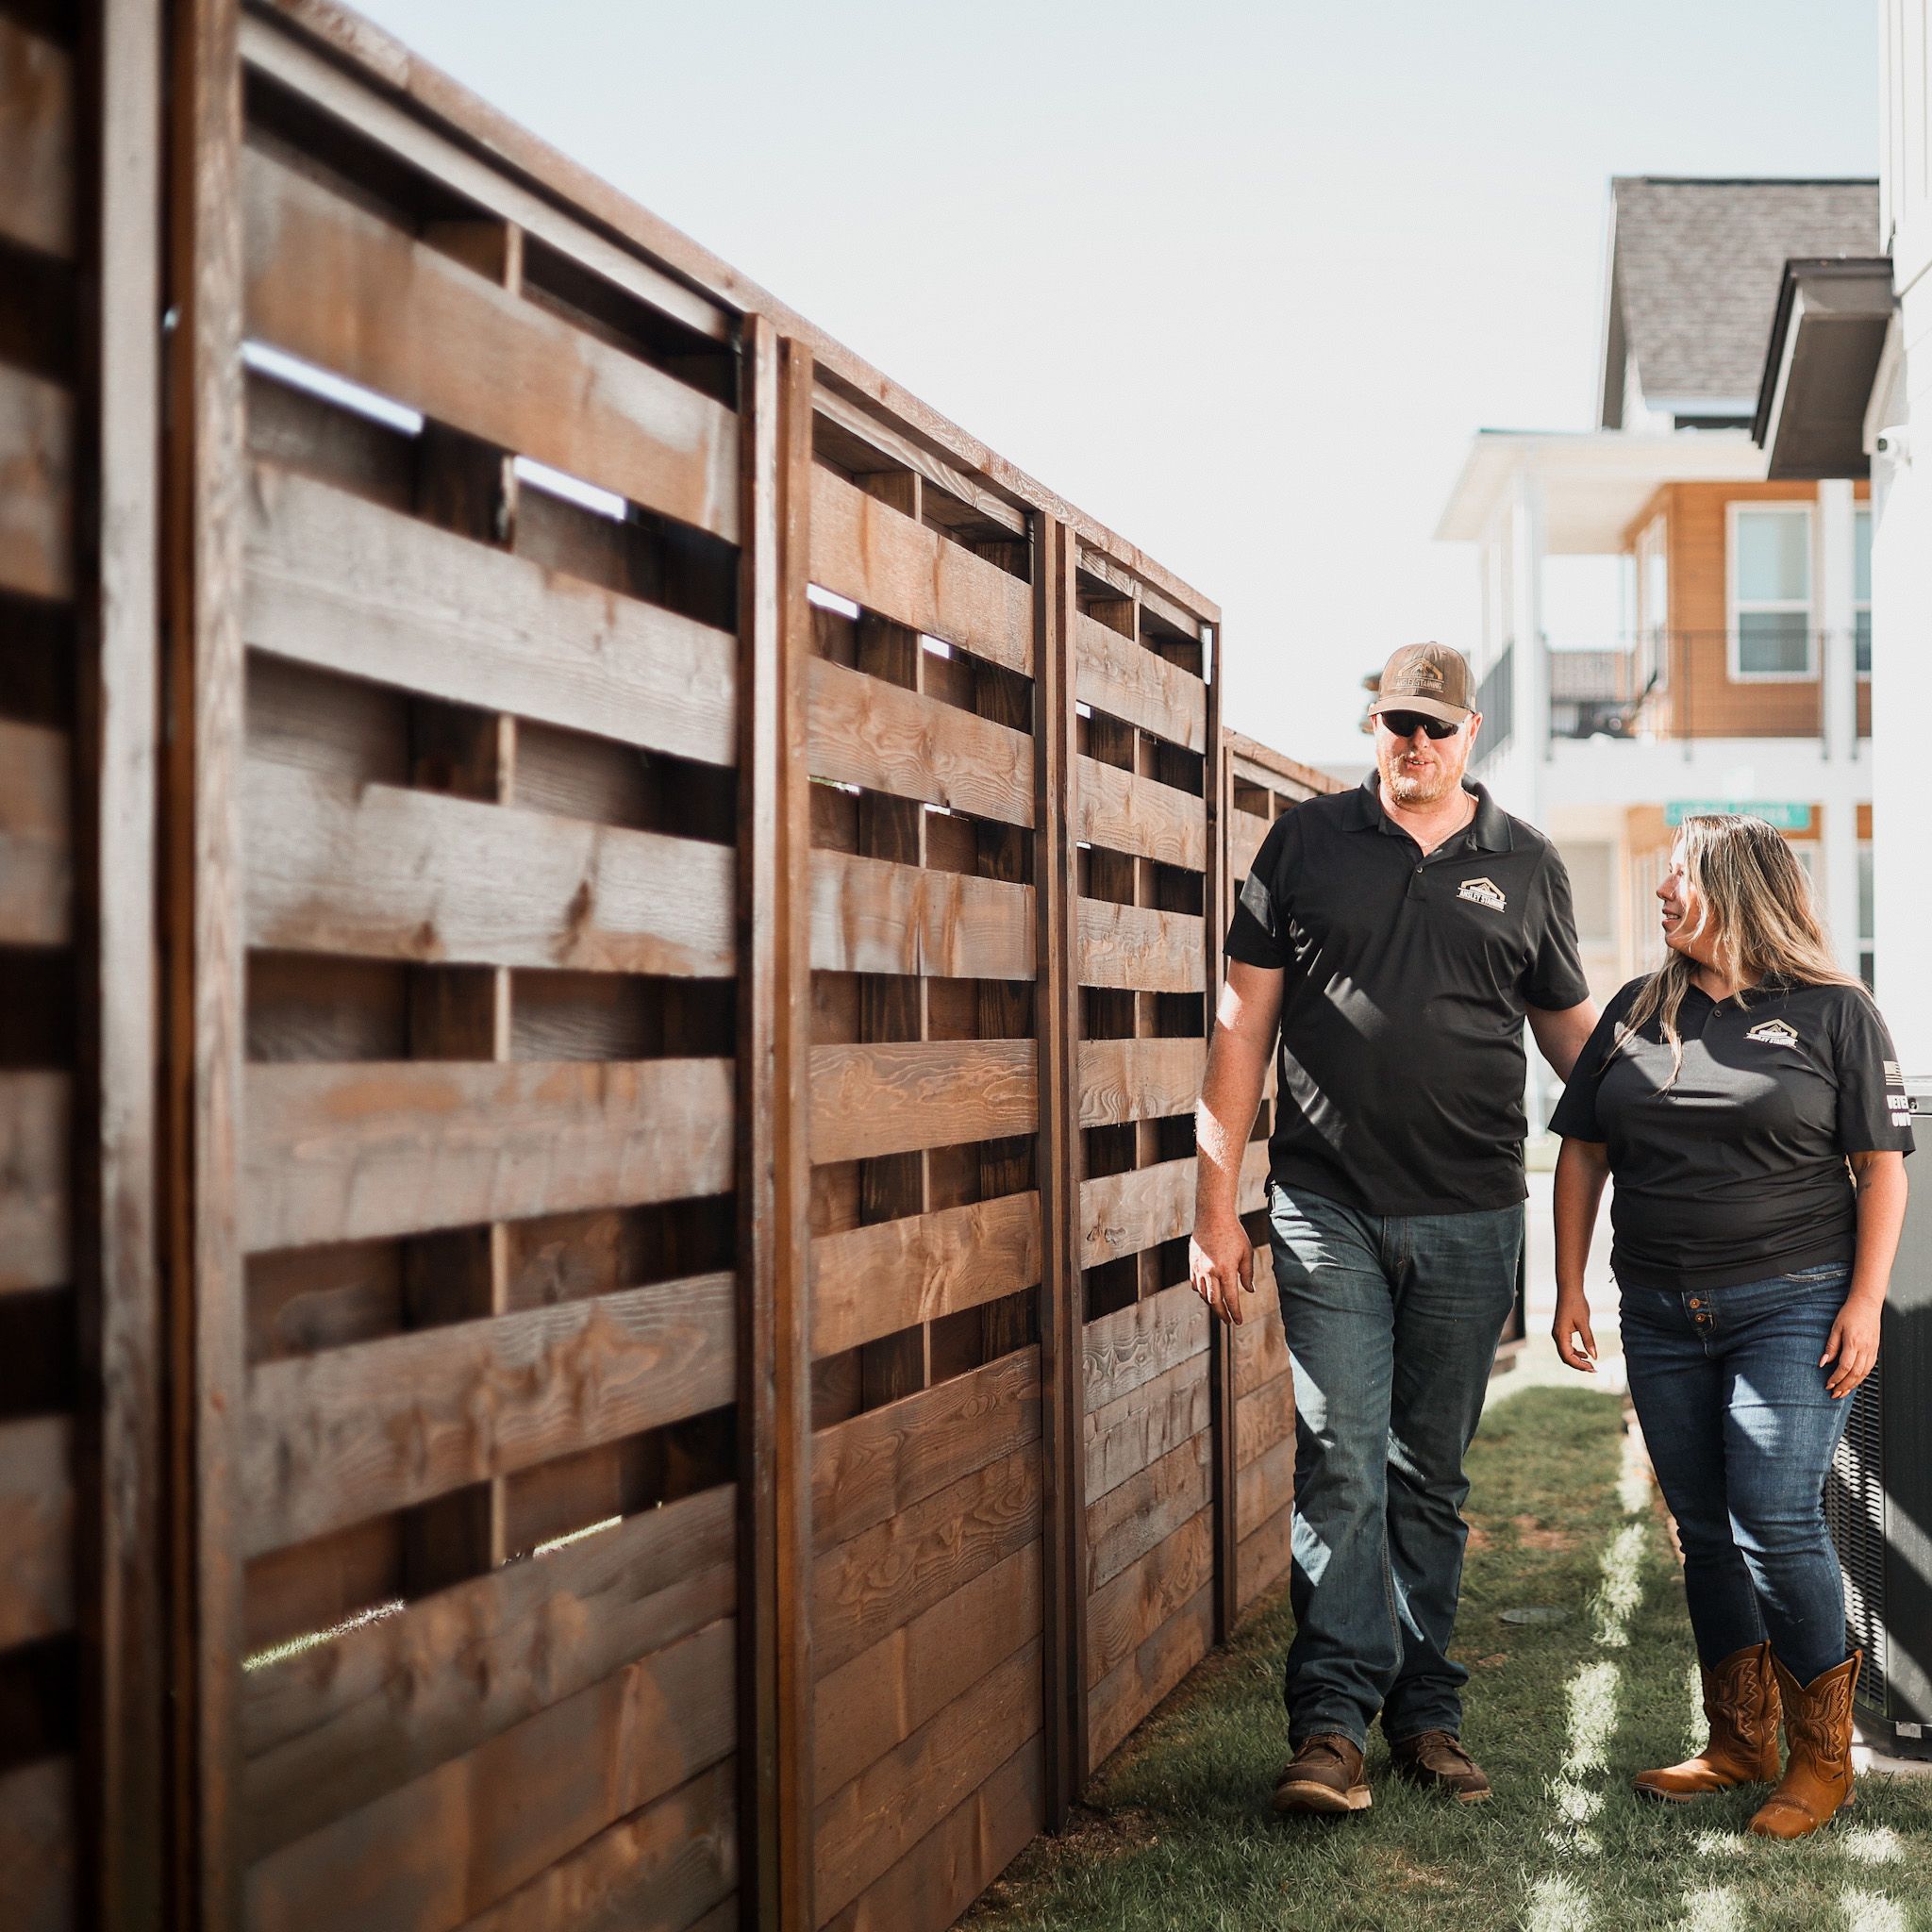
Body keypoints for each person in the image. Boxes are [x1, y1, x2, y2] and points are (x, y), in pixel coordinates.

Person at [1190, 641, 1596, 1815]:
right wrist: (1214, 1208)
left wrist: (1685, 1125)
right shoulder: (1304, 843)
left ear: (1470, 732)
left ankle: (1426, 1714)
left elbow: (1575, 1043)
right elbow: (1238, 1031)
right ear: (1370, 724)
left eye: (1433, 725)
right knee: (1340, 1459)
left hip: (1473, 1211)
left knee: (1428, 1477)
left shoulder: (1522, 862)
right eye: (1392, 722)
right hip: (1326, 1211)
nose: (1411, 743)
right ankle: (1326, 1727)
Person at [1549, 813, 1911, 1840]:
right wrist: (1570, 1287)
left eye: (1677, 877)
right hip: (1659, 1311)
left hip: (1790, 1301)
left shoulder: (1834, 1012)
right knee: (1701, 1526)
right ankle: (1738, 1738)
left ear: (1736, 888)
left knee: (1772, 1515)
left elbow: (1880, 1167)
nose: (1659, 892)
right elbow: (1580, 1149)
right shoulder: (1634, 1010)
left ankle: (1820, 1756)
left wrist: (1859, 1300)